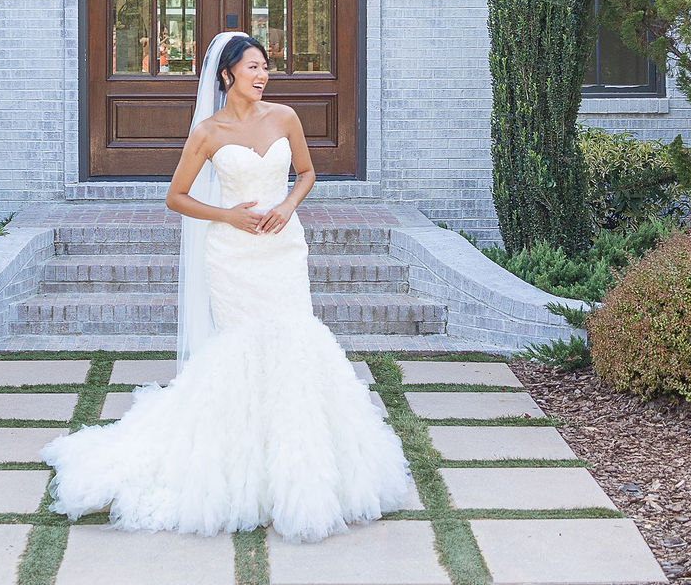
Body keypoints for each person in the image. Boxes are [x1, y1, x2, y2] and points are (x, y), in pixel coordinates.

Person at [39, 31, 416, 543]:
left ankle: (299, 468)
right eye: (253, 67)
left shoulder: (285, 118)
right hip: (233, 254)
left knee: (293, 341)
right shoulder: (208, 133)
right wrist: (226, 216)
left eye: (266, 67)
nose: (262, 75)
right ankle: (237, 471)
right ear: (227, 74)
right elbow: (175, 197)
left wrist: (286, 206)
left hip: (283, 249)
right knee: (241, 350)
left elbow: (306, 174)